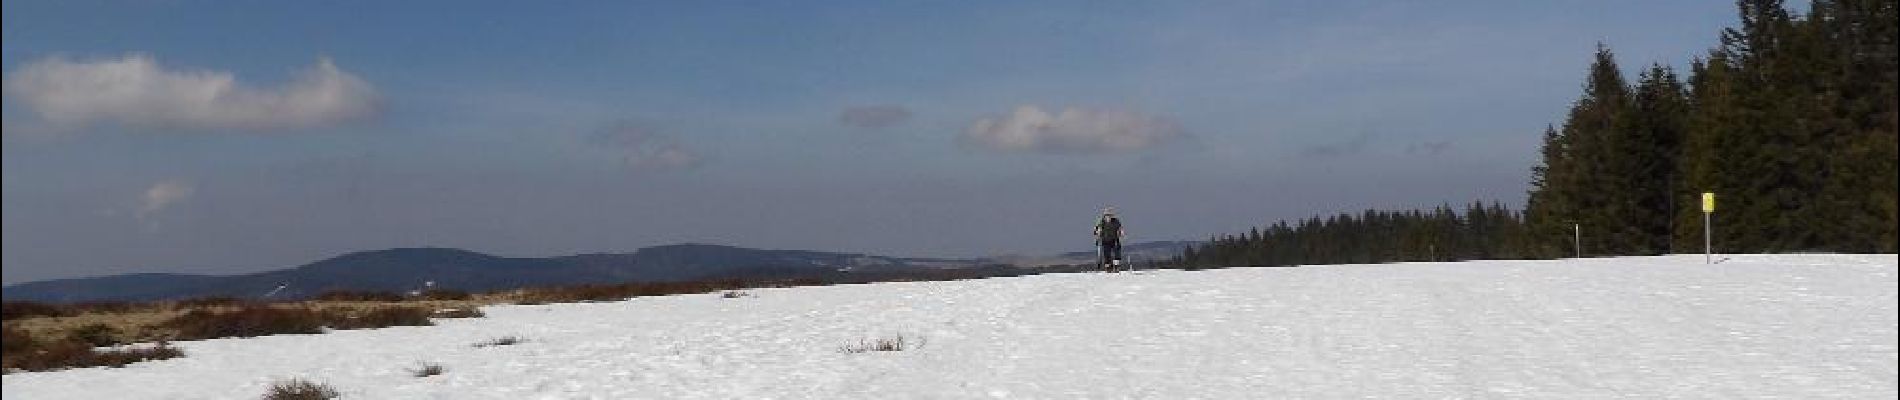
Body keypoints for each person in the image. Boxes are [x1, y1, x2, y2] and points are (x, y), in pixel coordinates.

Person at [1093, 207, 1125, 272]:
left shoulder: (1116, 221)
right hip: (1105, 240)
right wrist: (1097, 234)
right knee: (1107, 254)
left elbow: (1120, 228)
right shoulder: (1101, 222)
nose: (1108, 217)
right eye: (1107, 215)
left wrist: (1121, 232)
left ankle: (1116, 267)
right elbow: (1096, 230)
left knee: (1117, 253)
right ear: (1104, 216)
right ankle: (1108, 267)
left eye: (1110, 215)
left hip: (1115, 239)